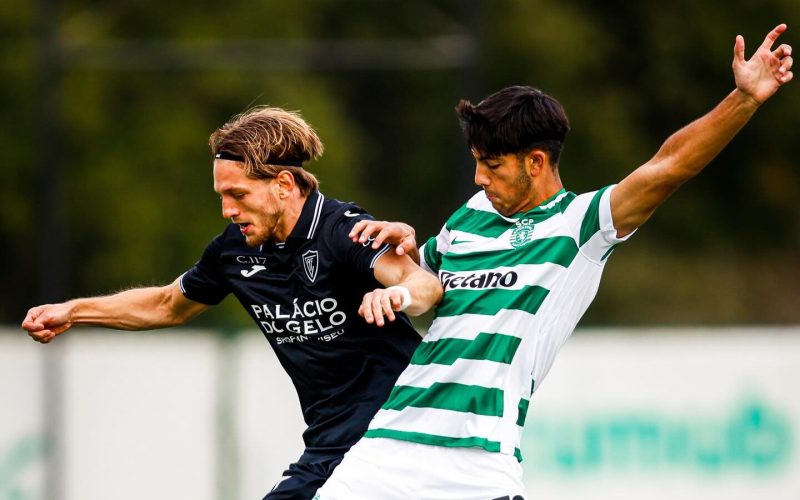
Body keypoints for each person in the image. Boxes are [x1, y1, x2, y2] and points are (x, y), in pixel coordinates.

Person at [315, 24, 794, 500]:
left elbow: (668, 166)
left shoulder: (580, 226)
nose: (479, 177)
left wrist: (744, 100)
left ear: (537, 163)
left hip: (478, 461)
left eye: (493, 165)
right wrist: (409, 250)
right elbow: (430, 292)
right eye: (476, 161)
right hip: (389, 444)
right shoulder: (470, 218)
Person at [21, 106, 443, 499]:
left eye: (238, 194)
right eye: (221, 195)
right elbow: (168, 304)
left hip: (404, 428)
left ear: (283, 184)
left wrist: (397, 293)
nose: (226, 209)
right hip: (331, 443)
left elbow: (423, 285)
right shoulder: (233, 252)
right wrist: (74, 312)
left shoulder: (343, 231)